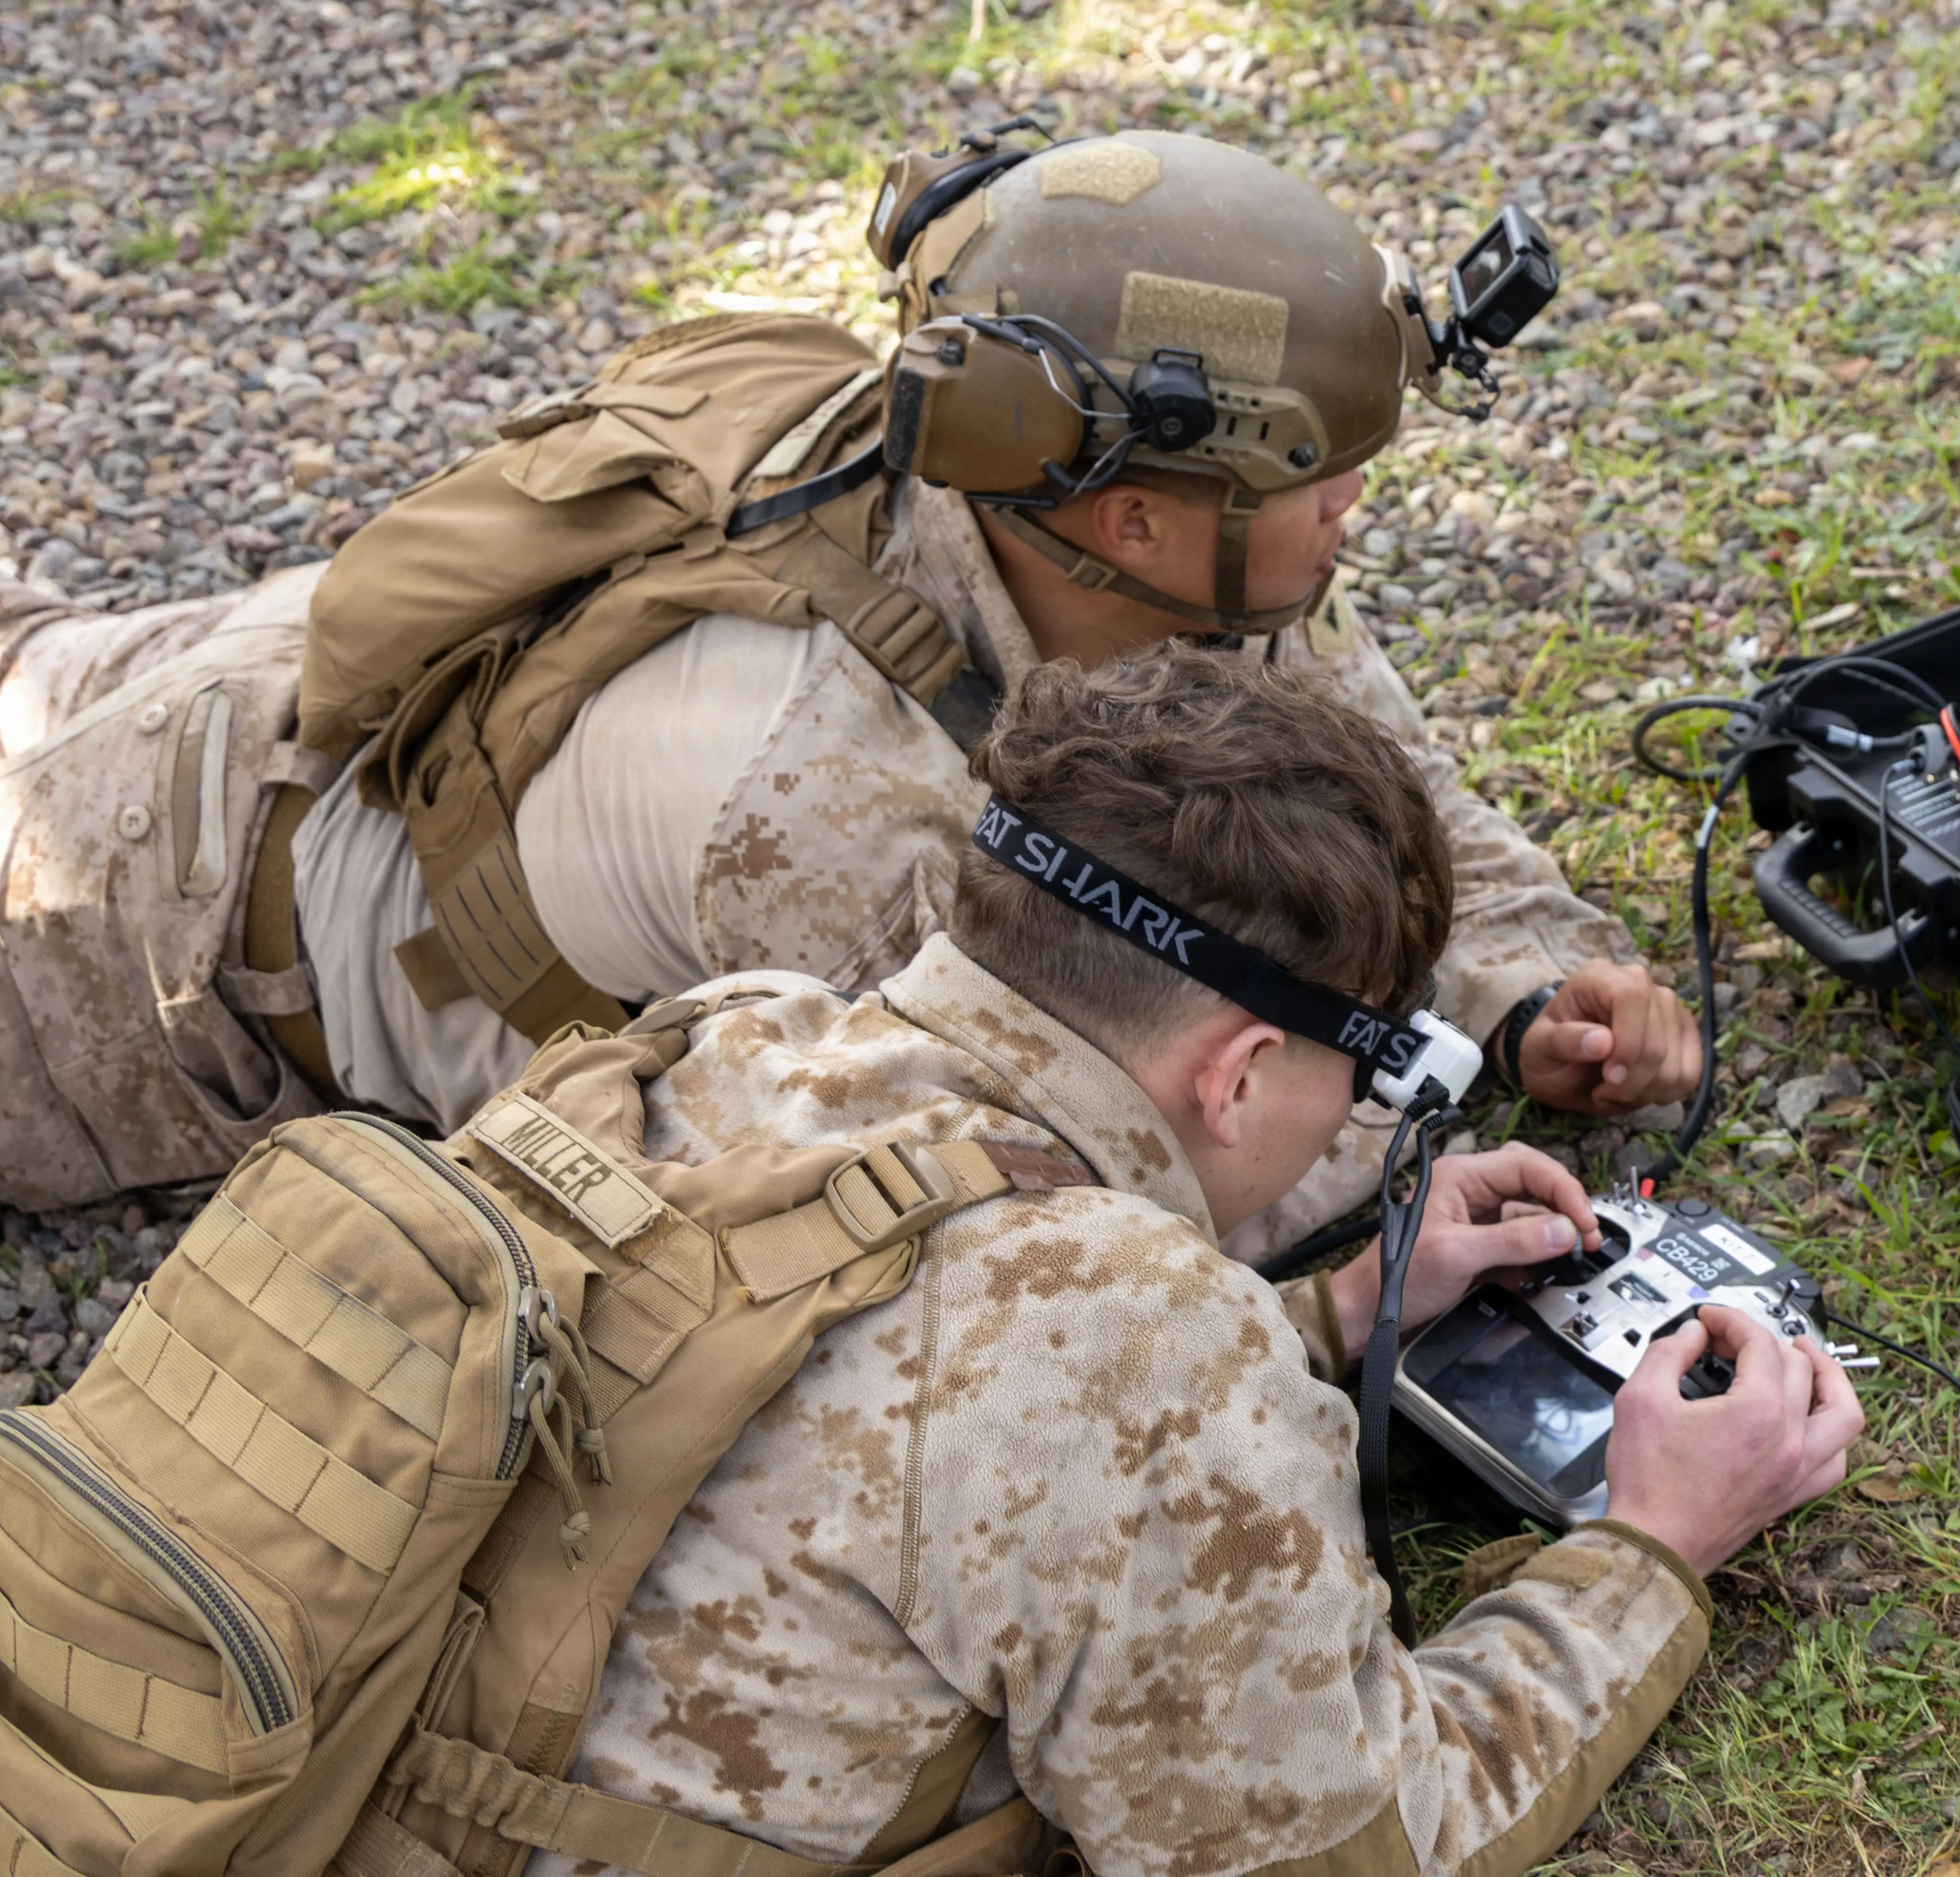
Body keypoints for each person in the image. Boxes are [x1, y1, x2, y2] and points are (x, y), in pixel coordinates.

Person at [0, 129, 1695, 1257]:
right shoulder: (831, 809)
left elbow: (1352, 740)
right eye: (1331, 479)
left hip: (241, 681)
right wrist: (1418, 1197)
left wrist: (1528, 980)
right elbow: (1061, 1179)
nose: (1355, 515)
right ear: (1133, 519)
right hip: (154, 938)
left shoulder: (1085, 514)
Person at [473, 646, 1861, 1877]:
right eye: (1369, 1069)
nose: (1365, 1117)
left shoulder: (735, 1035)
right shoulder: (1142, 1349)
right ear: (1247, 1074)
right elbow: (1370, 1847)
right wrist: (1657, 1542)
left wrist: (1345, 1308)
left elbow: (905, 1389)